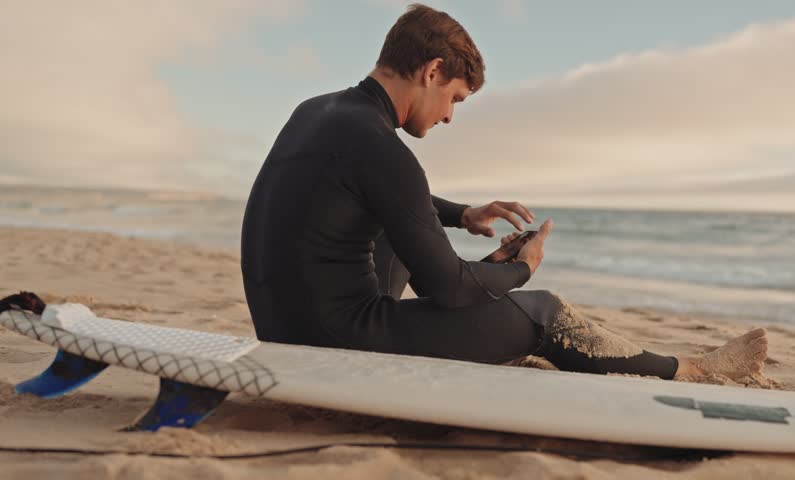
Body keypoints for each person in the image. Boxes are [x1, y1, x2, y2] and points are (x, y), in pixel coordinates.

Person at [241, 4, 768, 380]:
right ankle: (690, 369)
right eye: (454, 99)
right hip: (335, 344)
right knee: (544, 312)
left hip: (281, 324)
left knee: (410, 240)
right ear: (432, 71)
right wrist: (521, 269)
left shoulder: (317, 111)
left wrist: (463, 214)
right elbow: (446, 289)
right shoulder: (386, 150)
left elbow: (383, 196)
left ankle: (479, 320)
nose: (448, 116)